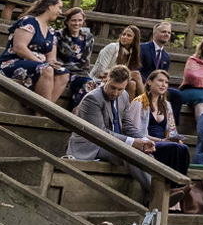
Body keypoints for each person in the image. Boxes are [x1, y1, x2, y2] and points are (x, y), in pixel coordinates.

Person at [67, 65, 161, 197]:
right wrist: (132, 142)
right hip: (92, 145)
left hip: (112, 143)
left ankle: (152, 195)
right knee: (129, 153)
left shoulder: (124, 96)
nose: (115, 93)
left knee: (147, 155)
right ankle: (157, 195)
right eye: (112, 87)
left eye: (120, 89)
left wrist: (144, 140)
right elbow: (100, 133)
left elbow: (127, 125)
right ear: (107, 80)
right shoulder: (92, 99)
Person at [125, 70, 195, 200]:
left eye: (166, 82)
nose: (164, 84)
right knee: (172, 148)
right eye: (160, 80)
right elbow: (136, 132)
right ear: (150, 82)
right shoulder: (139, 102)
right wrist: (162, 140)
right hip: (147, 143)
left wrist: (174, 139)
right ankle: (171, 191)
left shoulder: (167, 105)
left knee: (183, 148)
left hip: (163, 141)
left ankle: (179, 188)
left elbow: (172, 130)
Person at [0, 0, 71, 106]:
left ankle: (46, 110)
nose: (60, 12)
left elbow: (51, 57)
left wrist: (51, 63)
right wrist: (40, 62)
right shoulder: (29, 21)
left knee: (64, 74)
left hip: (40, 65)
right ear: (50, 6)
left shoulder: (51, 31)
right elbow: (19, 47)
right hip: (14, 61)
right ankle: (45, 111)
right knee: (47, 70)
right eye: (59, 7)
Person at [59, 8, 98, 106]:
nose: (77, 23)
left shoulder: (88, 37)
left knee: (93, 85)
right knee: (86, 85)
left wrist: (83, 74)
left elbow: (86, 60)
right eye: (73, 20)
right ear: (67, 21)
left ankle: (77, 112)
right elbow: (59, 58)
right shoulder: (59, 35)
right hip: (62, 72)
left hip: (80, 73)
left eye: (80, 20)